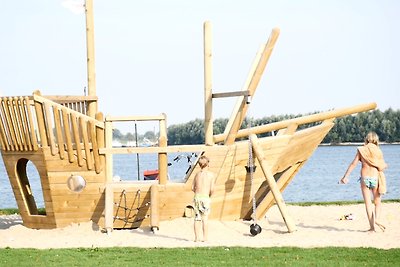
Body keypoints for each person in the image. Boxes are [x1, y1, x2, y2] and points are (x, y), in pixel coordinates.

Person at [339, 131, 388, 232]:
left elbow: (353, 164)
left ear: (367, 139)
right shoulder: (378, 151)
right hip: (375, 178)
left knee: (368, 204)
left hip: (364, 178)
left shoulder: (361, 150)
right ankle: (377, 219)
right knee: (377, 202)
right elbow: (382, 166)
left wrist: (345, 177)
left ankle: (372, 227)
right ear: (376, 140)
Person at [191, 155, 216, 242]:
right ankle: (205, 238)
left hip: (197, 197)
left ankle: (196, 238)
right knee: (205, 219)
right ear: (208, 164)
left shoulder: (197, 175)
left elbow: (192, 187)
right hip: (205, 197)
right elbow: (212, 189)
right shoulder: (211, 175)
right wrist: (210, 195)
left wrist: (197, 192)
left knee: (197, 218)